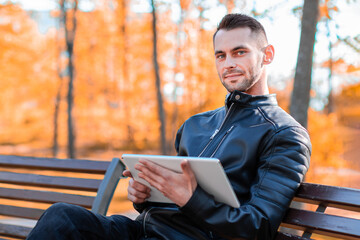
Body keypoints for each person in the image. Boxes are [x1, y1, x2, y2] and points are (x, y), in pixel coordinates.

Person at [27, 13, 311, 240]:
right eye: (220, 55)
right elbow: (166, 199)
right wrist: (144, 196)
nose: (228, 63)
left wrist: (190, 198)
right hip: (144, 230)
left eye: (239, 52)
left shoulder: (284, 134)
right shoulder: (195, 124)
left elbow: (258, 226)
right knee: (62, 216)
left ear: (268, 54)